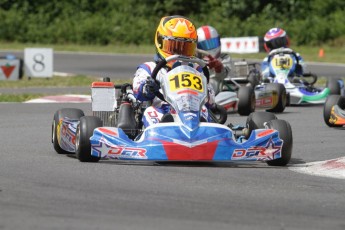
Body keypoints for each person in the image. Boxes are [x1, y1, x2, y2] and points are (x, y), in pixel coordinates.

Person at [132, 15, 215, 128]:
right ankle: (162, 131)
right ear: (160, 41)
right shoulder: (150, 68)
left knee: (204, 110)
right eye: (174, 48)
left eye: (185, 48)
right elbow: (137, 90)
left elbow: (210, 101)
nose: (179, 54)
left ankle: (202, 134)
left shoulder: (196, 69)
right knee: (150, 112)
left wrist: (207, 93)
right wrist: (147, 87)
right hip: (163, 110)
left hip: (192, 111)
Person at [196, 25, 231, 95]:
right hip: (195, 82)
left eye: (212, 43)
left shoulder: (224, 57)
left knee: (211, 83)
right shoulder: (194, 60)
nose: (209, 48)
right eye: (205, 45)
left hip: (215, 83)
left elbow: (223, 76)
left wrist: (218, 67)